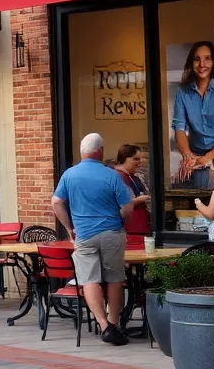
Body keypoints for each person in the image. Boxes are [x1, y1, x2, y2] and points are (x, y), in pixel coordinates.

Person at [52, 133, 135, 346]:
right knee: (115, 278)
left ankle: (103, 325)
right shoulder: (111, 175)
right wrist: (121, 215)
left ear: (82, 152)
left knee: (89, 280)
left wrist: (69, 227)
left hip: (84, 235)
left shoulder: (69, 175)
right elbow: (128, 206)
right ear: (100, 151)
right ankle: (114, 323)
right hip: (112, 233)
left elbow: (56, 203)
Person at [172, 41, 214, 190]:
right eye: (197, 59)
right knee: (180, 186)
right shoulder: (183, 91)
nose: (202, 64)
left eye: (207, 58)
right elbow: (179, 127)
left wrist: (206, 159)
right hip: (193, 154)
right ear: (191, 62)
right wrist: (188, 156)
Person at [113, 144, 151, 243]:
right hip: (130, 229)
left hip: (139, 227)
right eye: (136, 159)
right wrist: (142, 199)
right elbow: (123, 204)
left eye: (140, 159)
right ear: (125, 158)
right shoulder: (118, 176)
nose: (139, 163)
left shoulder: (133, 176)